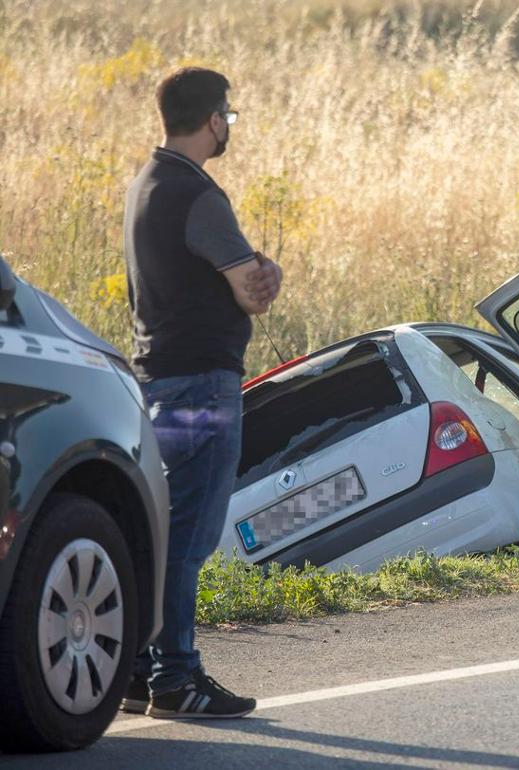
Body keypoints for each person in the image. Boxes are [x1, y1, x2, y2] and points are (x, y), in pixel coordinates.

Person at [120, 67, 281, 719]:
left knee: (161, 531)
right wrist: (266, 270)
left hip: (157, 381)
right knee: (188, 537)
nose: (228, 128)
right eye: (229, 118)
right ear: (213, 120)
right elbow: (251, 289)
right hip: (204, 385)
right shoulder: (198, 195)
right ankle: (178, 677)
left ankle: (135, 669)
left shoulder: (144, 186)